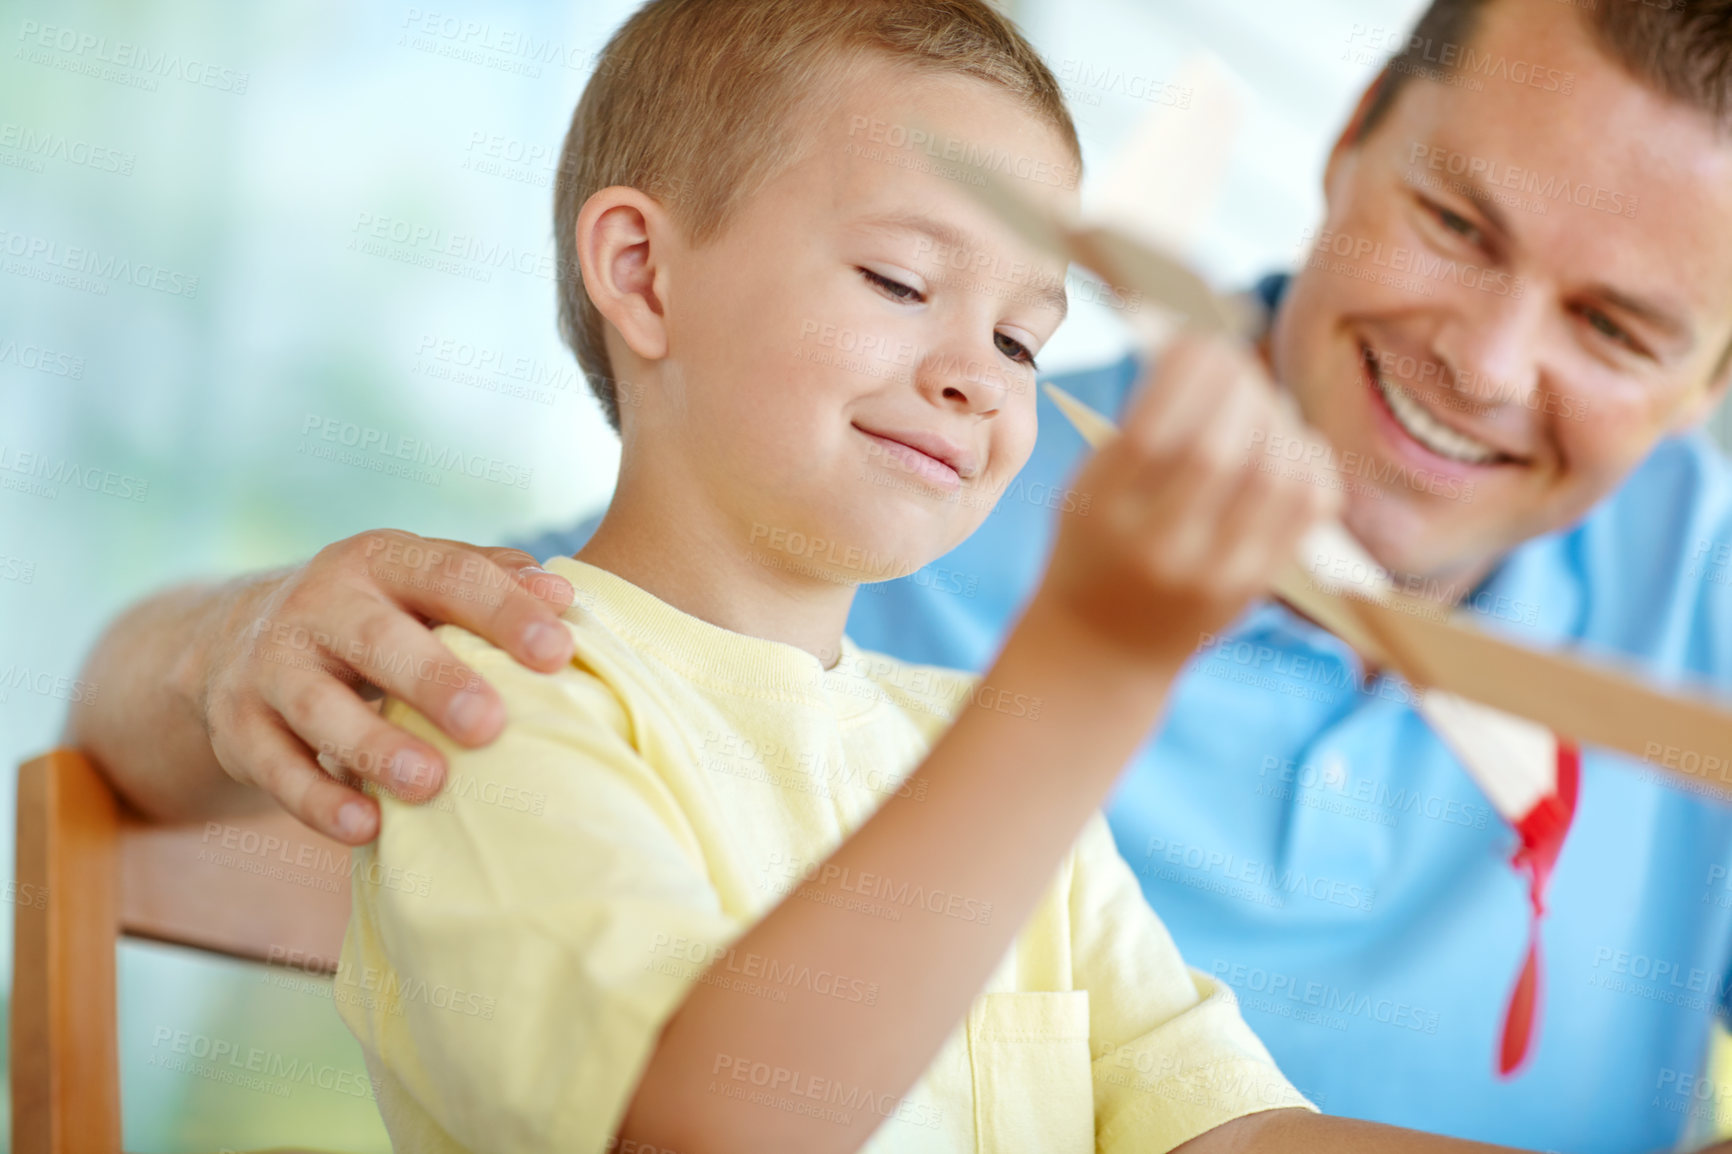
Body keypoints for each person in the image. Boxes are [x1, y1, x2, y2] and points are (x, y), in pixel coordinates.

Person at [63, 0, 1732, 1149]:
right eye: (1458, 223)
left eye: (1025, 331)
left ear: (1711, 382)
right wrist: (1090, 666)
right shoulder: (530, 680)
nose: (1492, 360)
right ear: (1357, 135)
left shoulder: (952, 737)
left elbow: (1221, 1124)